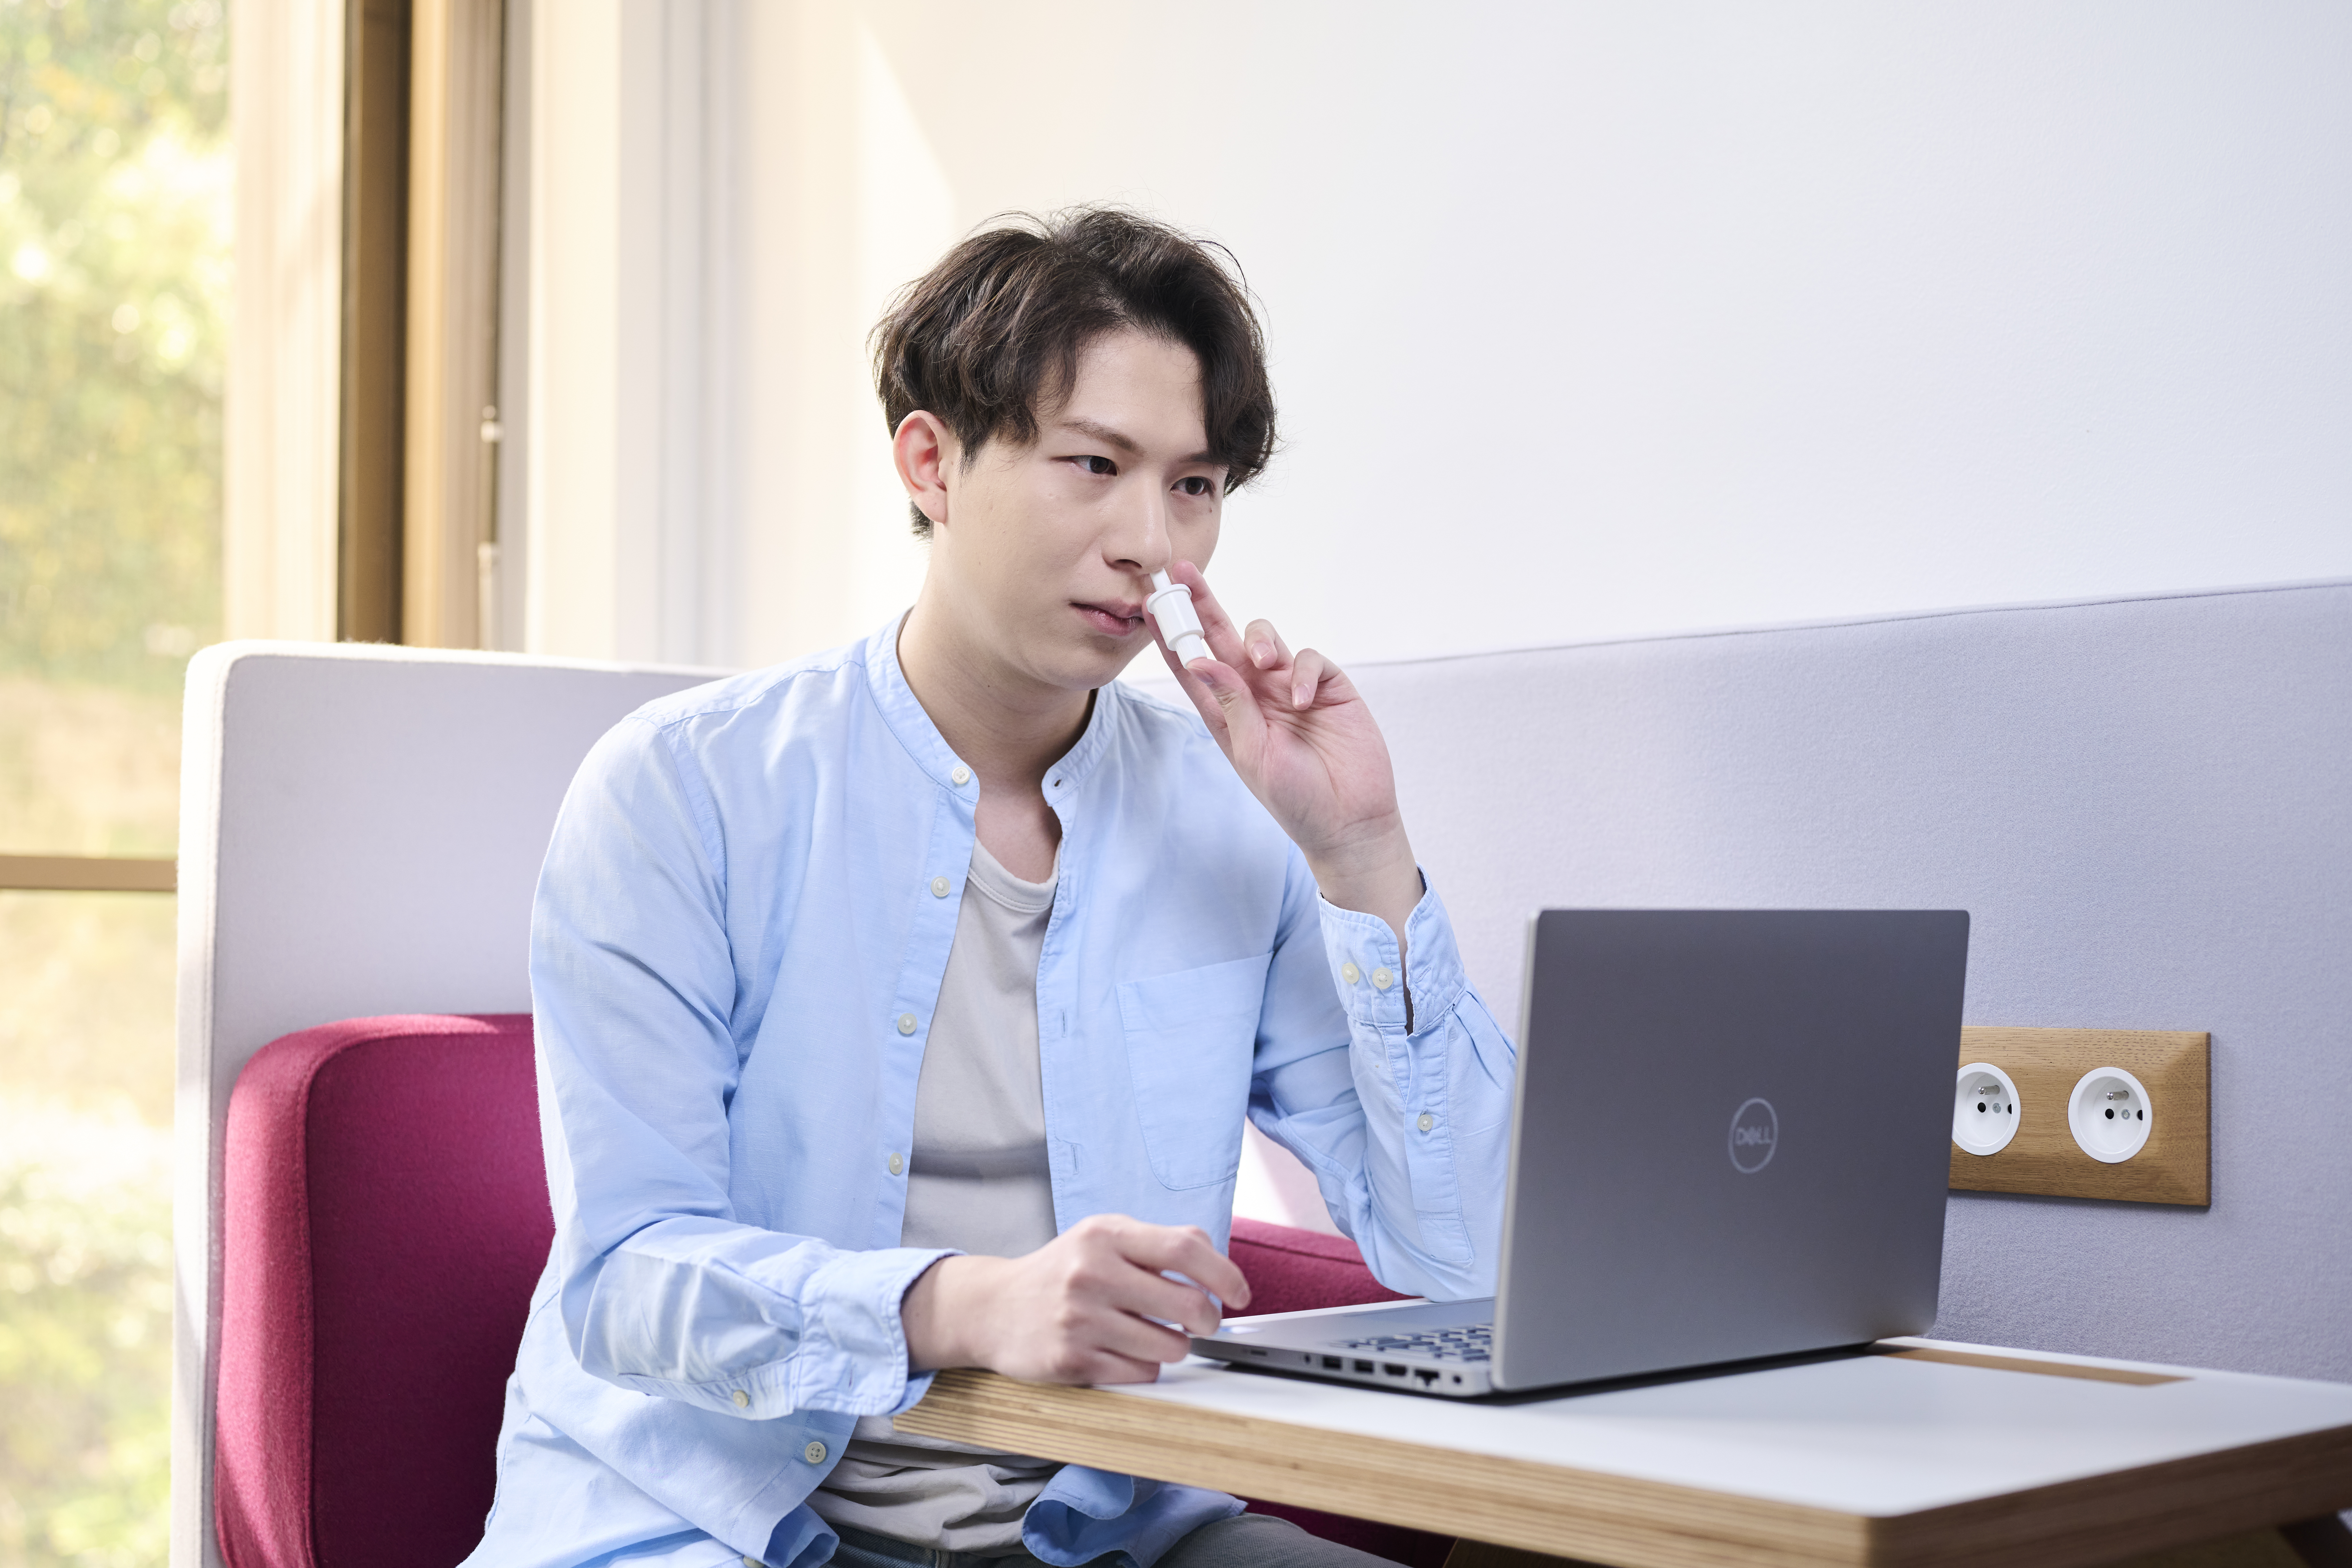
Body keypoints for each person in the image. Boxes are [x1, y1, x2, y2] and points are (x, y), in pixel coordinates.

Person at [463, 208, 1516, 1568]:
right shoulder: (683, 789)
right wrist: (962, 1307)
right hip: (707, 1521)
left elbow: (1465, 1254)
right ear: (933, 460)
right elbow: (630, 1276)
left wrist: (1361, 855)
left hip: (1110, 1525)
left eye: (1194, 486)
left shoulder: (1230, 815)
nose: (1153, 541)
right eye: (1095, 464)